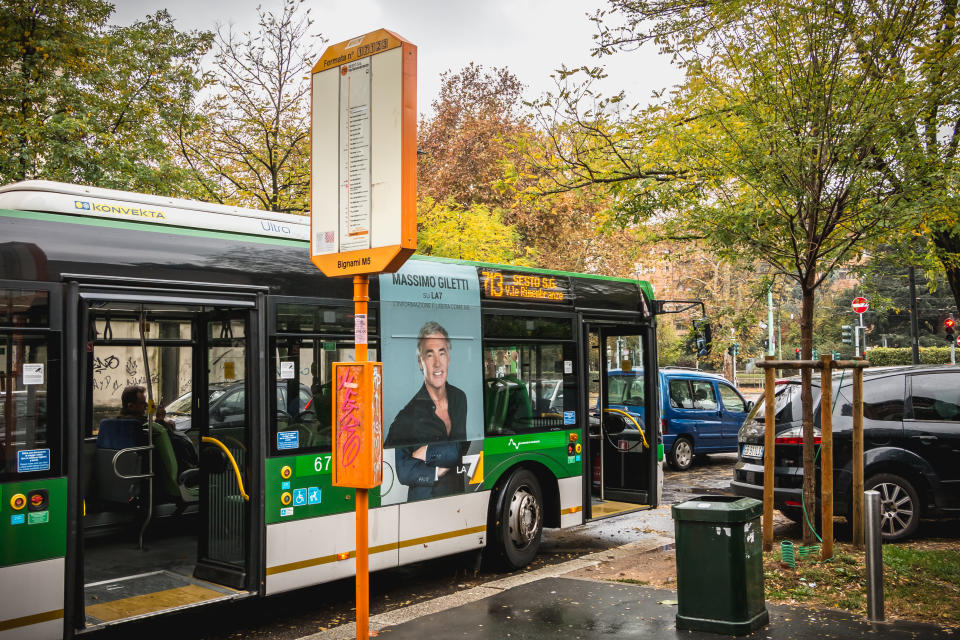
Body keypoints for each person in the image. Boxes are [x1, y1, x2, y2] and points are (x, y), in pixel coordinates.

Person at [385, 322, 467, 501]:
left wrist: (427, 452)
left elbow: (459, 449)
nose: (437, 363)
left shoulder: (460, 398)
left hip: (459, 498)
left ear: (449, 358)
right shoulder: (406, 416)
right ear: (421, 363)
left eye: (442, 353)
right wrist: (438, 471)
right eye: (429, 355)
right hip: (422, 502)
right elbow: (403, 471)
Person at [117, 385, 198, 474]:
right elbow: (165, 441)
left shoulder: (118, 423)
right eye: (142, 403)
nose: (147, 405)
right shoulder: (138, 427)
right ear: (131, 406)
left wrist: (160, 420)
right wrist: (162, 423)